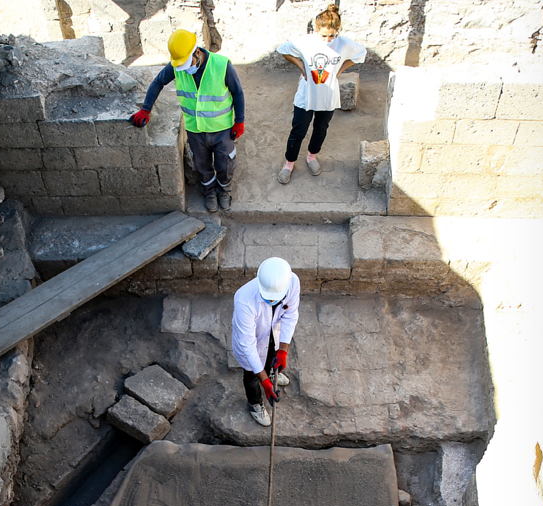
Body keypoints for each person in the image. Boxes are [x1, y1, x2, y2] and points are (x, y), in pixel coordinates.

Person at [129, 29, 246, 213]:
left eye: (186, 63)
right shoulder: (177, 66)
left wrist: (239, 121)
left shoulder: (222, 65)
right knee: (202, 164)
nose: (184, 69)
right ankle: (209, 192)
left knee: (225, 163)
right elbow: (158, 82)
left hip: (222, 128)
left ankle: (224, 191)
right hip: (195, 129)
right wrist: (146, 109)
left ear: (197, 52)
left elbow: (238, 93)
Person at [274, 5, 366, 184]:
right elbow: (283, 49)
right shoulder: (306, 42)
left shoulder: (343, 44)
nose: (327, 39)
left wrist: (339, 70)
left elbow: (360, 53)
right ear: (316, 30)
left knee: (321, 128)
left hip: (328, 96)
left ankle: (312, 156)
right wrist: (301, 66)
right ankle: (289, 163)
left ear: (337, 31)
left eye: (332, 35)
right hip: (306, 95)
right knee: (298, 130)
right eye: (324, 35)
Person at [231, 257, 300, 427]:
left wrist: (283, 350)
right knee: (251, 376)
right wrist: (264, 382)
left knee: (271, 357)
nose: (272, 301)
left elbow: (290, 315)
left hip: (273, 333)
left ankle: (271, 373)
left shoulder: (292, 282)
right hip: (252, 340)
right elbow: (248, 345)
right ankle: (255, 403)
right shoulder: (244, 299)